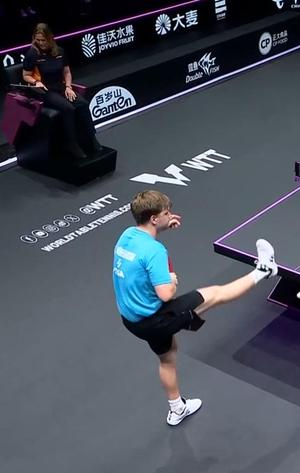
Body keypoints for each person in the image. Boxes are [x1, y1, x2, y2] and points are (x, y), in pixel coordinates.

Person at [113, 190, 278, 426]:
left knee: (167, 357)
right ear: (154, 219)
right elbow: (166, 294)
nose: (171, 215)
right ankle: (265, 270)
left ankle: (177, 409)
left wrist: (163, 228)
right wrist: (171, 279)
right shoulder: (155, 251)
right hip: (156, 320)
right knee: (216, 294)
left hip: (131, 319)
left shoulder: (127, 236)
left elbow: (141, 266)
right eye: (166, 213)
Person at [22, 23, 100, 160]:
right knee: (68, 108)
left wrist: (68, 87)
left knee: (82, 104)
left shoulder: (59, 51)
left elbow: (67, 72)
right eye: (38, 40)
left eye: (43, 40)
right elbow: (26, 75)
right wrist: (35, 82)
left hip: (61, 87)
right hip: (44, 90)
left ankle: (91, 137)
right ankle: (72, 144)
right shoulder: (32, 53)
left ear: (50, 38)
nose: (41, 43)